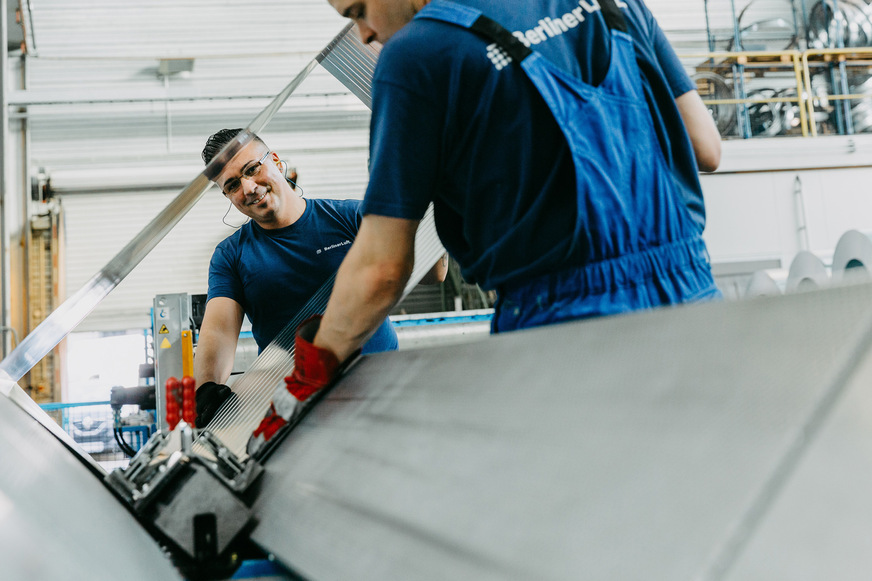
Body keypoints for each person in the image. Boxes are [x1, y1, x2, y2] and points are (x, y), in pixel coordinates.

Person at [247, 0, 723, 452]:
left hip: (566, 333)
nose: (365, 32)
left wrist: (304, 382)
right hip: (695, 304)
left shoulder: (416, 54)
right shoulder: (612, 3)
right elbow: (705, 146)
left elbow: (382, 269)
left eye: (358, 10)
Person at [194, 128, 446, 426]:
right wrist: (207, 388)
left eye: (252, 169)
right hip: (299, 408)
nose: (248, 188)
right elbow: (219, 331)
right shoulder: (230, 255)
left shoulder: (351, 218)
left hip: (382, 388)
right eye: (233, 184)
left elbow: (435, 273)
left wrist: (426, 205)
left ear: (274, 160)